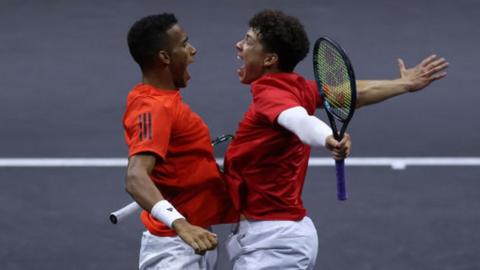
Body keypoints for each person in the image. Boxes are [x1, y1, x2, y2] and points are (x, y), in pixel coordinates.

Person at [223, 9, 449, 270]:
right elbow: (354, 93)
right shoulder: (296, 87)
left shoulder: (271, 94)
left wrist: (327, 137)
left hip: (273, 241)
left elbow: (298, 120)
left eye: (249, 41)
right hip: (276, 236)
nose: (239, 45)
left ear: (270, 59)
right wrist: (403, 84)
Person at [123, 13, 236, 270]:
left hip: (195, 239)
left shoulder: (166, 101)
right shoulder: (151, 108)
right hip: (175, 246)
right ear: (164, 57)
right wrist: (180, 224)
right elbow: (135, 177)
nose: (192, 50)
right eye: (184, 44)